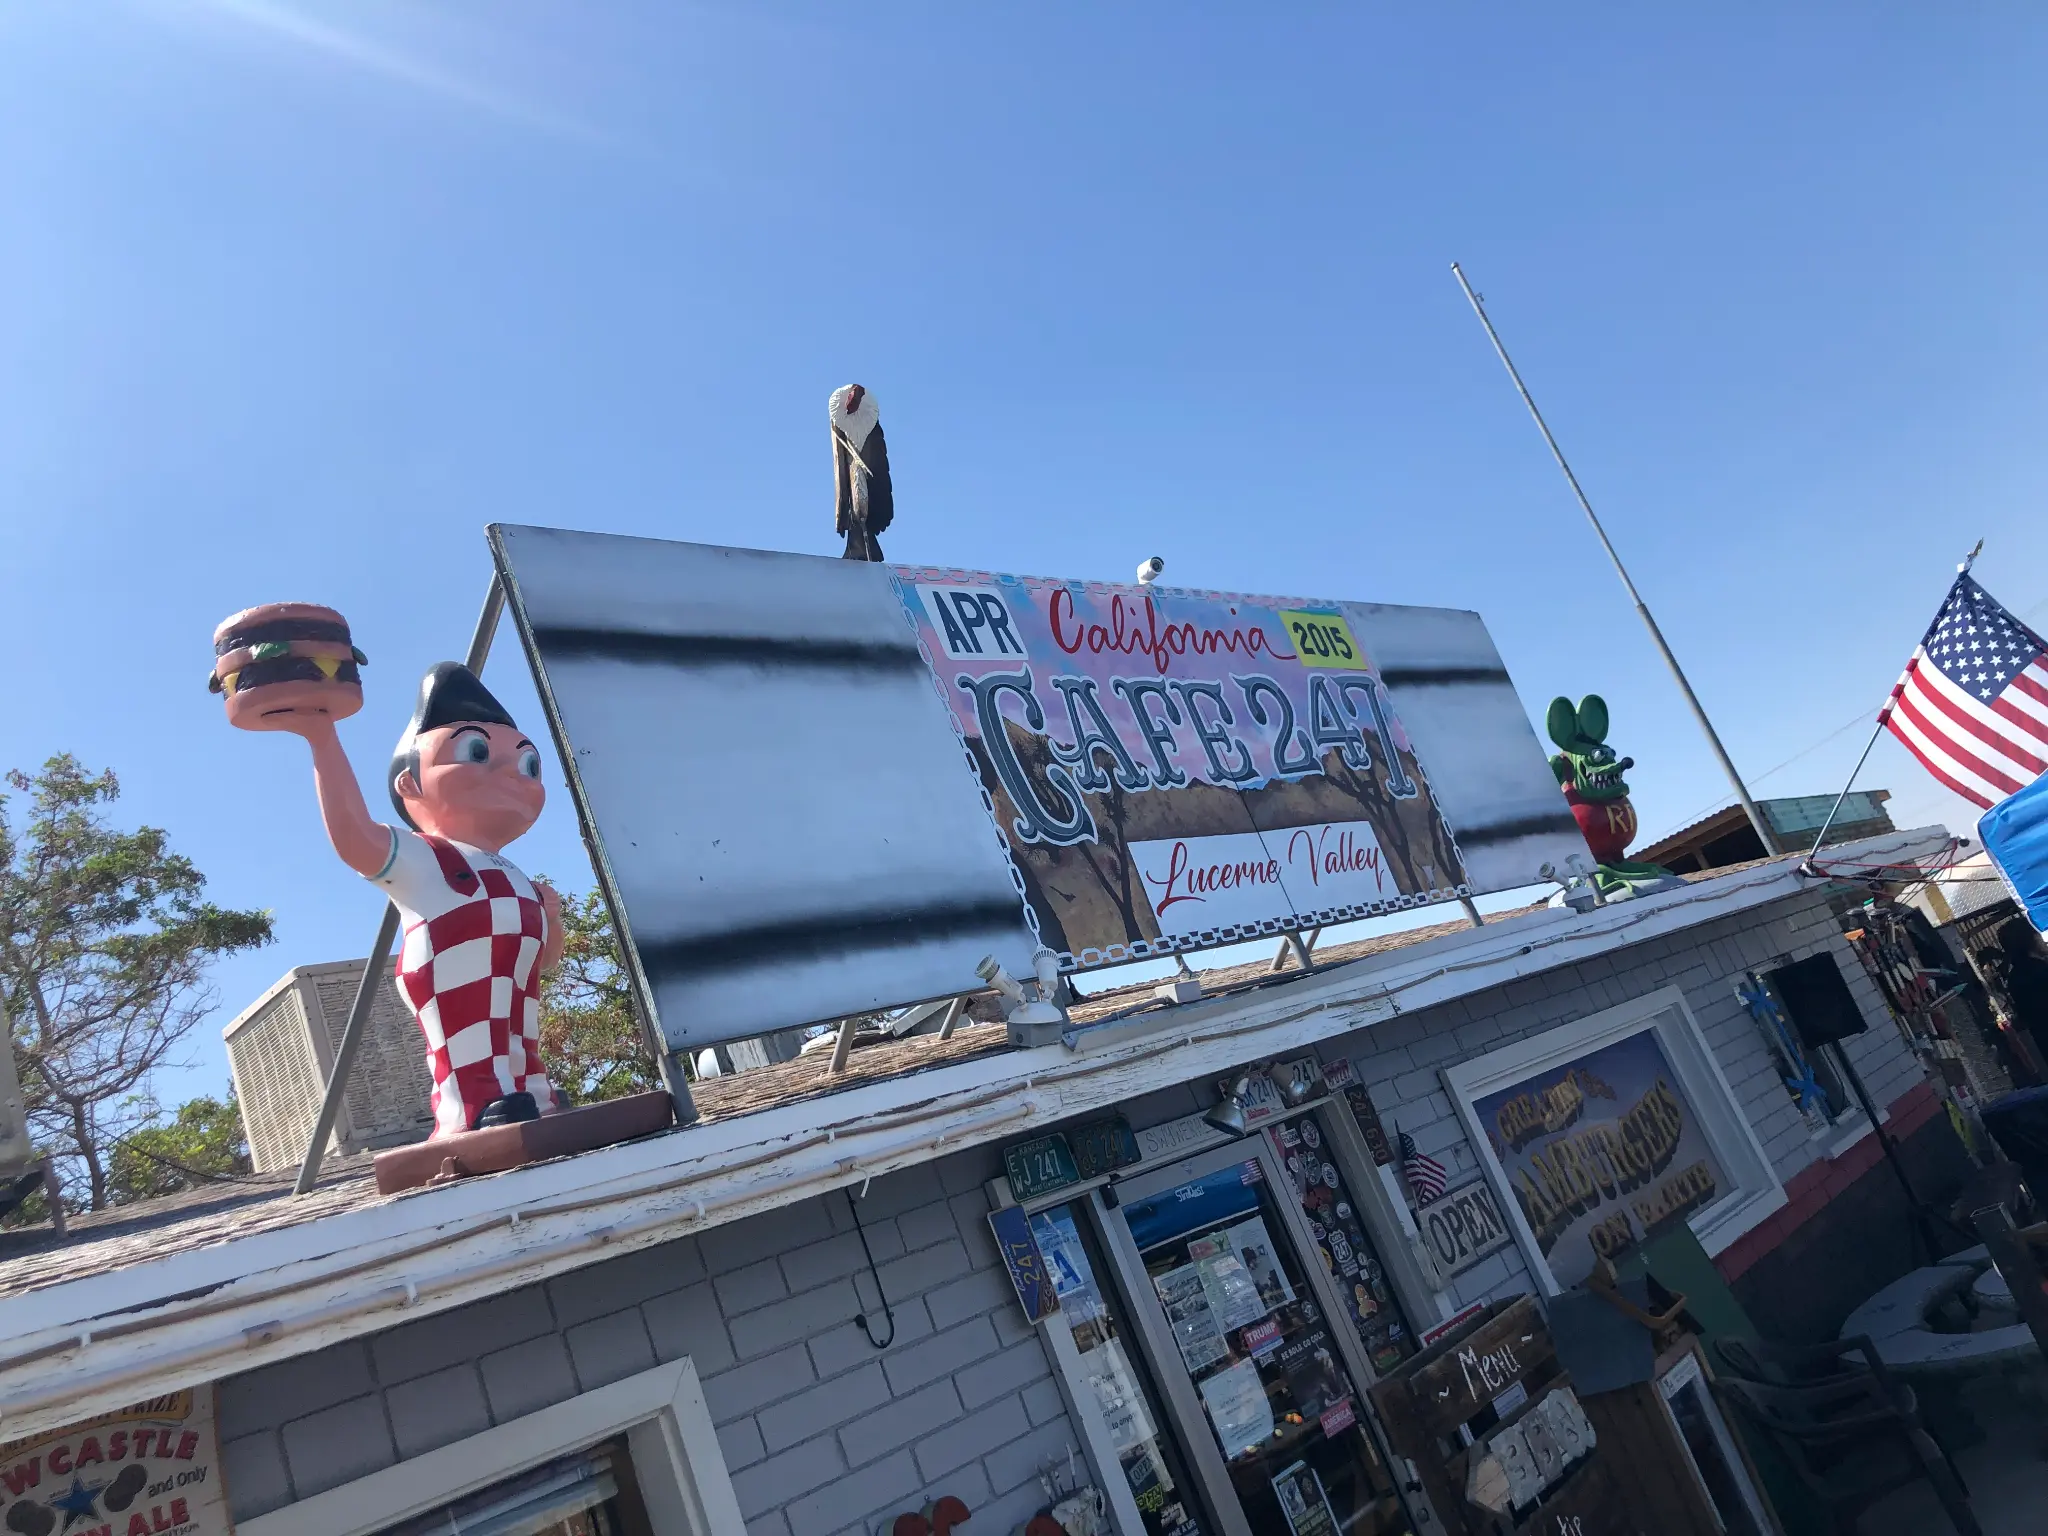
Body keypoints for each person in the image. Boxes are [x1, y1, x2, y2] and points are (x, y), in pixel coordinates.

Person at [278, 661, 565, 1136]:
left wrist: (549, 919)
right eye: (476, 752)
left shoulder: (516, 876)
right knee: (472, 1036)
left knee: (519, 1027)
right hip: (450, 973)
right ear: (409, 784)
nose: (512, 773)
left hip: (512, 981)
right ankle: (473, 1103)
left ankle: (534, 1092)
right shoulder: (424, 855)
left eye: (529, 763)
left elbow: (543, 962)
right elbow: (355, 838)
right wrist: (322, 738)